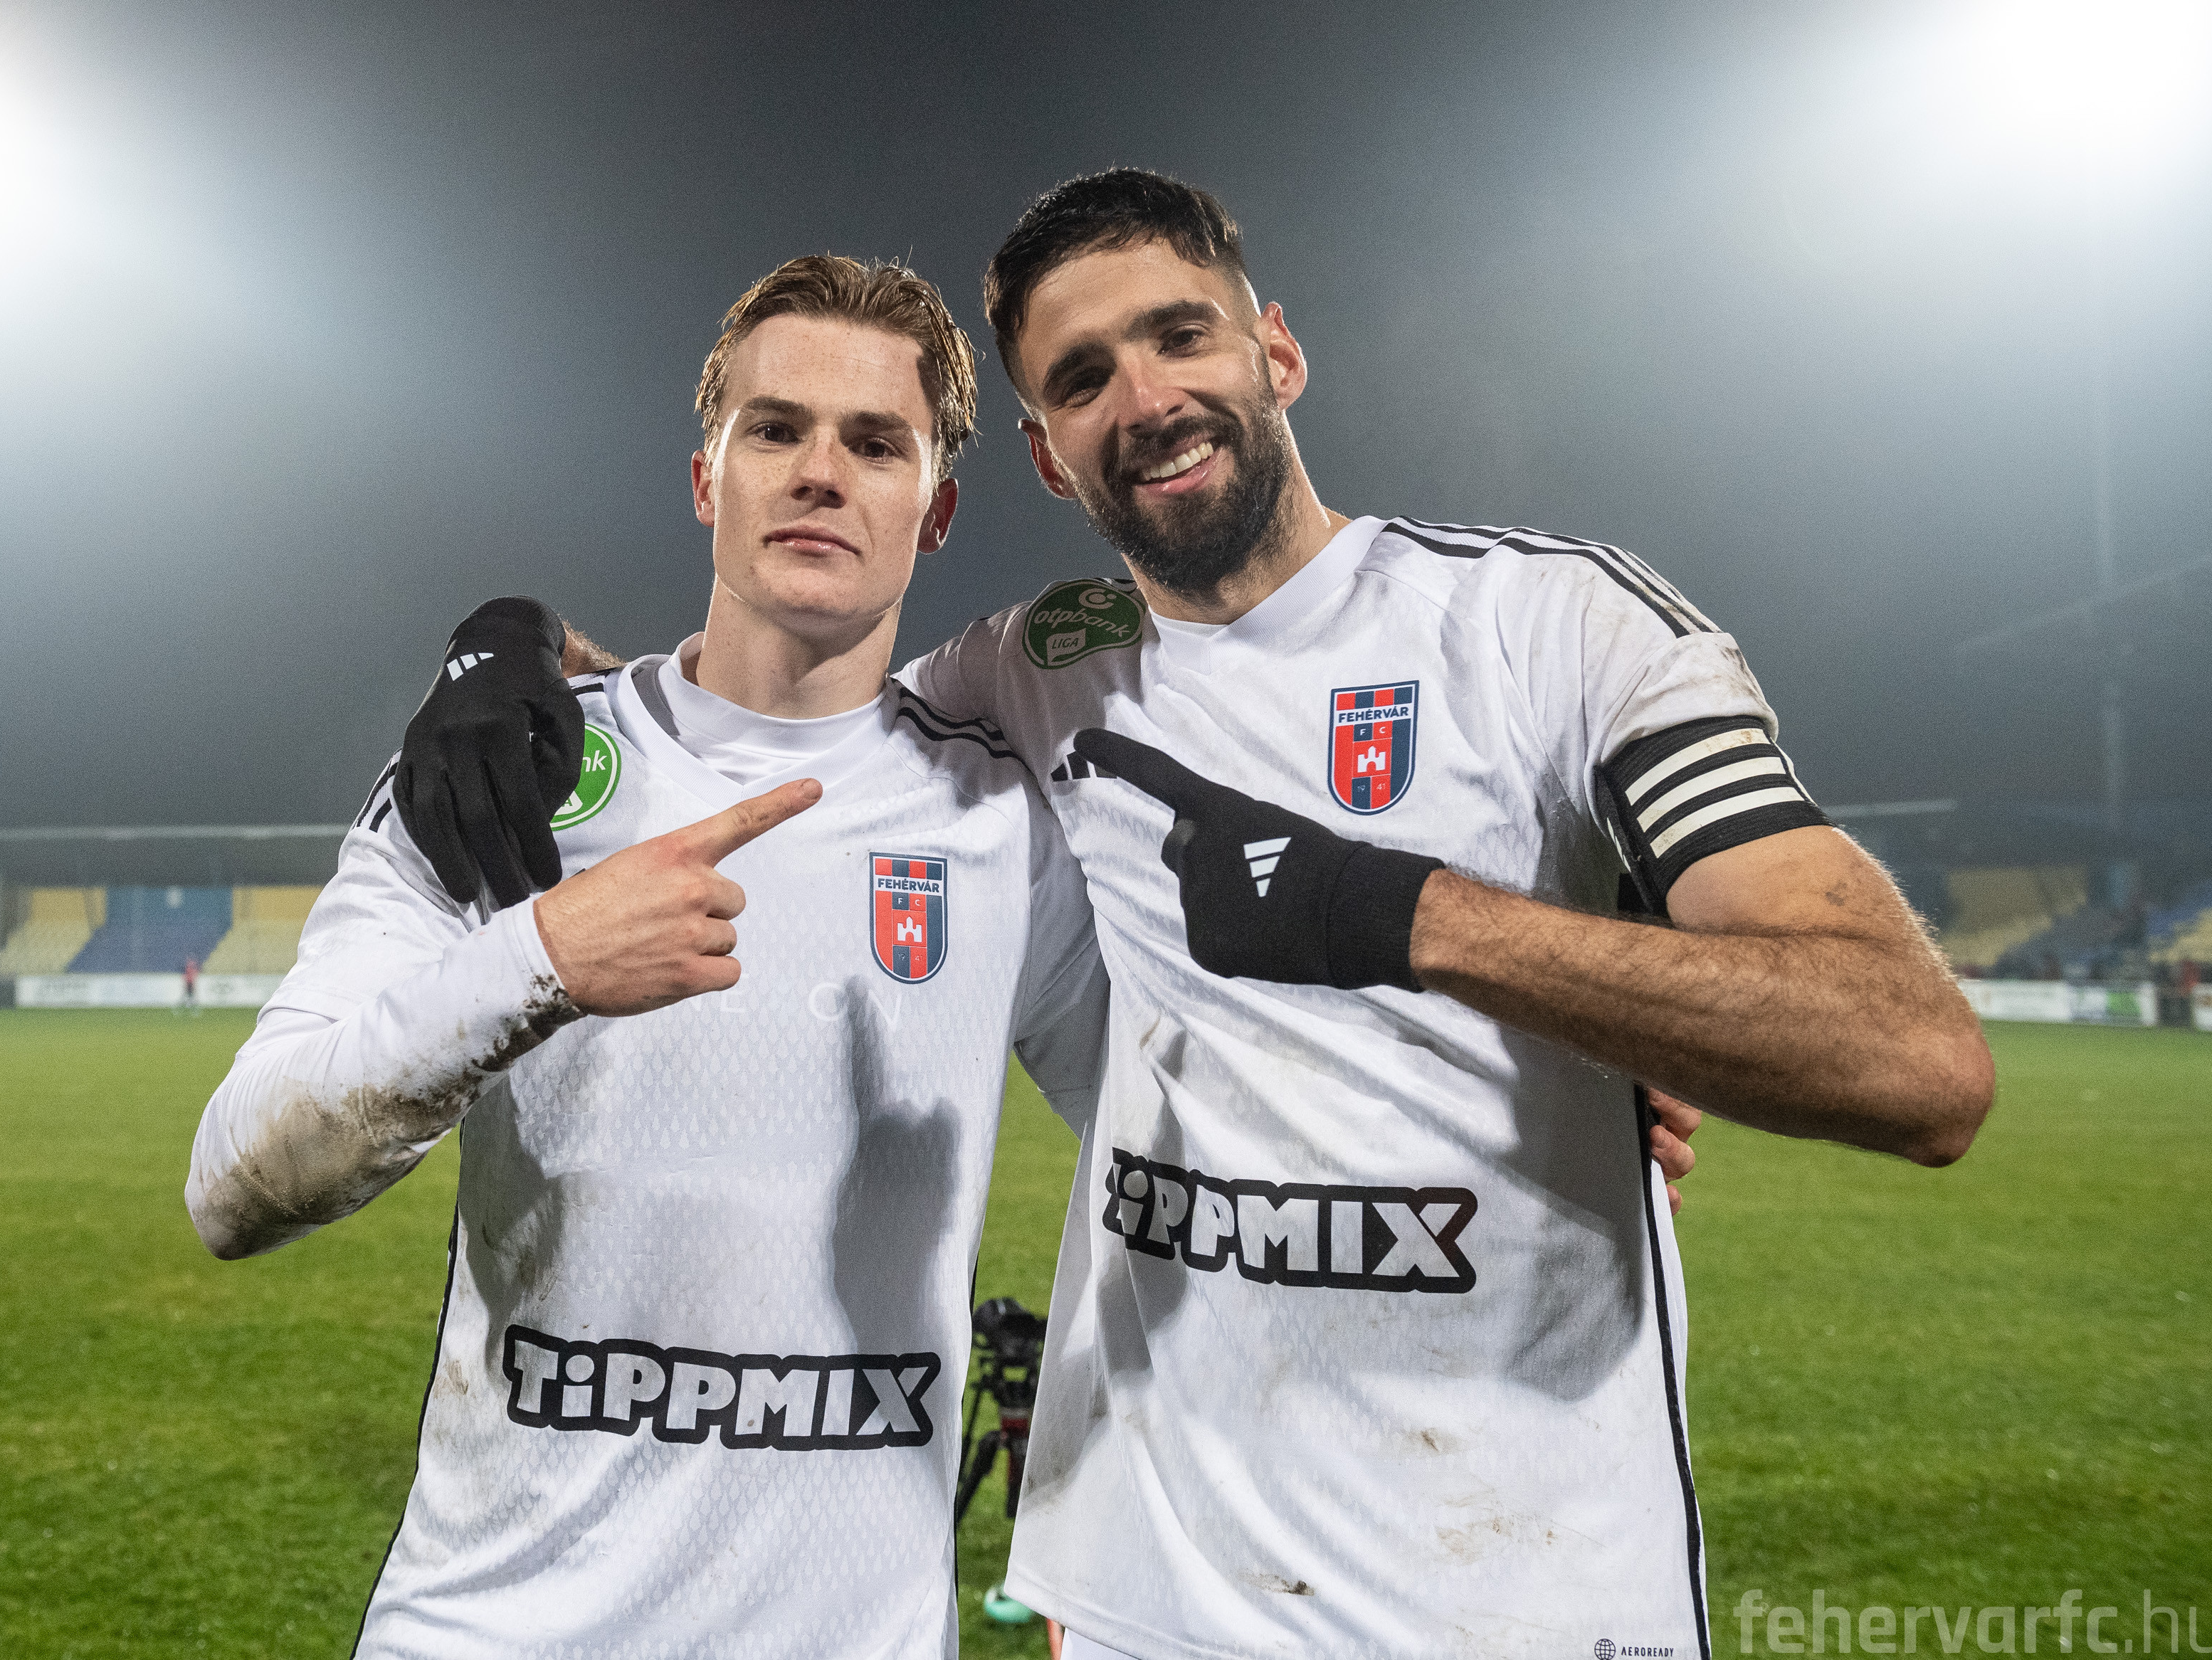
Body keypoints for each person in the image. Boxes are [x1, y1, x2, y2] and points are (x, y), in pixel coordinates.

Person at [403, 170, 1988, 1660]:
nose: (1146, 397)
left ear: (1275, 351)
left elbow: (1917, 1064)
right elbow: (761, 699)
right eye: (1082, 378)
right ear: (1046, 453)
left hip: (1516, 1590)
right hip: (1147, 1596)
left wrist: (1427, 923)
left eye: (1180, 335)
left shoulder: (1553, 626)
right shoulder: (1040, 668)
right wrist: (512, 641)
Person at [186, 255, 1115, 1657]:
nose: (820, 473)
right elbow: (234, 1184)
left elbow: (1176, 1153)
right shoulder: (505, 773)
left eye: (876, 444)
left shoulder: (1002, 823)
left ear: (935, 511)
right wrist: (539, 960)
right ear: (705, 479)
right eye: (774, 429)